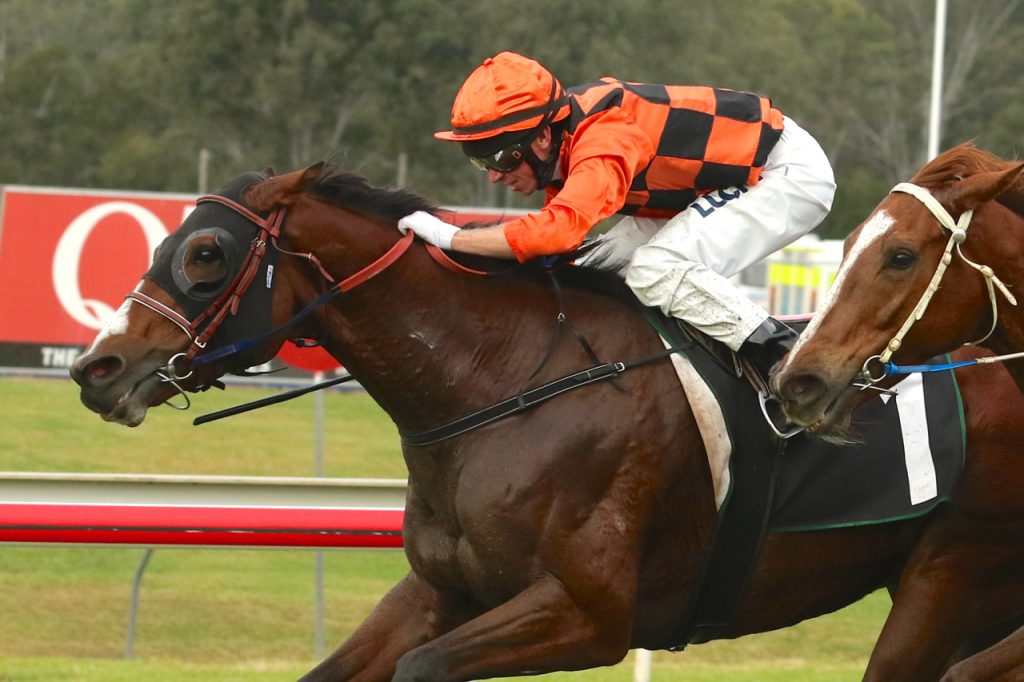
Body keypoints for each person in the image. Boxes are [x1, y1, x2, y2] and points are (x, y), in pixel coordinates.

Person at [398, 51, 836, 391]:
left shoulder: (603, 137)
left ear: (543, 136)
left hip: (783, 172)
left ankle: (792, 367)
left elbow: (556, 233)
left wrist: (452, 238)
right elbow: (557, 249)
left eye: (500, 157)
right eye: (480, 162)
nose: (495, 175)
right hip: (718, 181)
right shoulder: (561, 145)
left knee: (655, 268)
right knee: (590, 274)